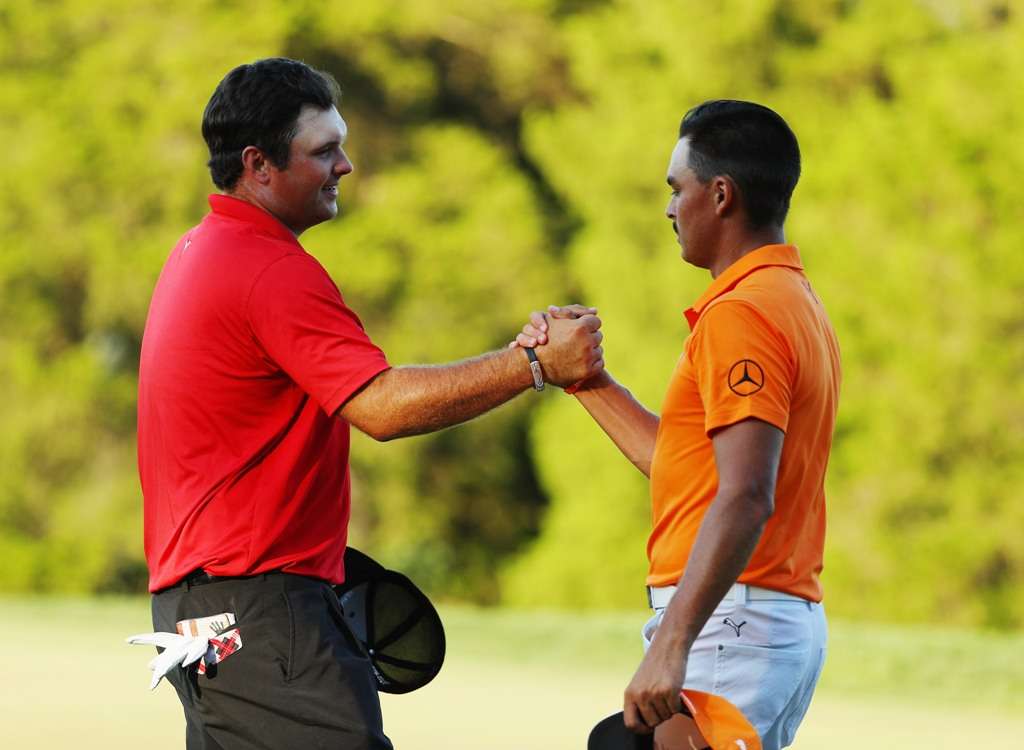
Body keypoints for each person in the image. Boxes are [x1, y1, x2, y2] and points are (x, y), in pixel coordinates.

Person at [136, 57, 604, 750]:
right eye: (324, 151)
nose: (346, 166)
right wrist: (534, 365)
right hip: (261, 613)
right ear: (258, 164)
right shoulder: (269, 269)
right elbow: (382, 407)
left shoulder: (201, 248)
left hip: (200, 615)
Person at [516, 100, 841, 750]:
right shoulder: (788, 296)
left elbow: (747, 494)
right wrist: (584, 380)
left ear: (721, 195)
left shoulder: (744, 314)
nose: (669, 209)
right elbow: (691, 467)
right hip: (750, 622)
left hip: (731, 630)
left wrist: (672, 645)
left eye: (676, 188)